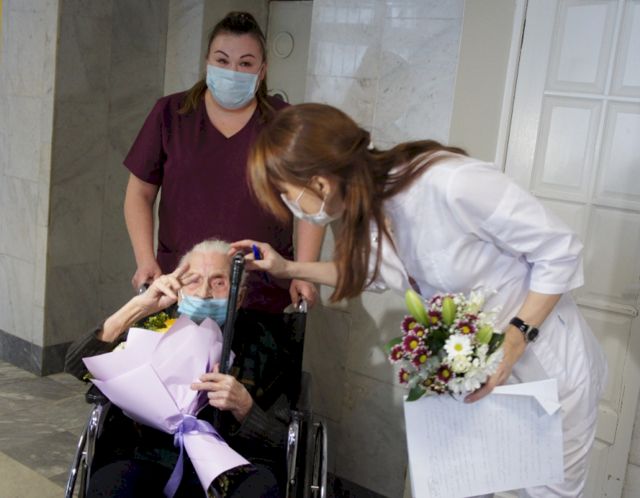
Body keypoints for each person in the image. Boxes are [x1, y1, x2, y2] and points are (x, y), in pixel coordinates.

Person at [230, 103, 607, 498]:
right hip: (475, 384)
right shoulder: (373, 211)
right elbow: (367, 272)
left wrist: (514, 341)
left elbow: (560, 250)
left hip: (544, 375)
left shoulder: (450, 183)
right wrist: (287, 267)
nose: (288, 204)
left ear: (320, 184)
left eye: (286, 193)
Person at [123, 11, 323, 314]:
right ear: (207, 62)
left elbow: (311, 203)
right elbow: (139, 193)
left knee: (248, 348)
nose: (233, 71)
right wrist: (145, 260)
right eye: (222, 60)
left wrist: (303, 271)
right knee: (160, 344)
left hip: (262, 293)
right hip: (177, 286)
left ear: (262, 70)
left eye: (245, 63)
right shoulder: (170, 113)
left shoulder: (286, 122)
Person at [65, 239, 293, 497]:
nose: (204, 293)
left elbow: (282, 438)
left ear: (238, 297)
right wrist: (139, 306)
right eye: (193, 280)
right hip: (150, 455)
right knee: (109, 484)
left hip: (231, 464)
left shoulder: (262, 342)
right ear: (179, 288)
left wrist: (245, 407)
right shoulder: (158, 323)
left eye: (219, 282)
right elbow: (77, 365)